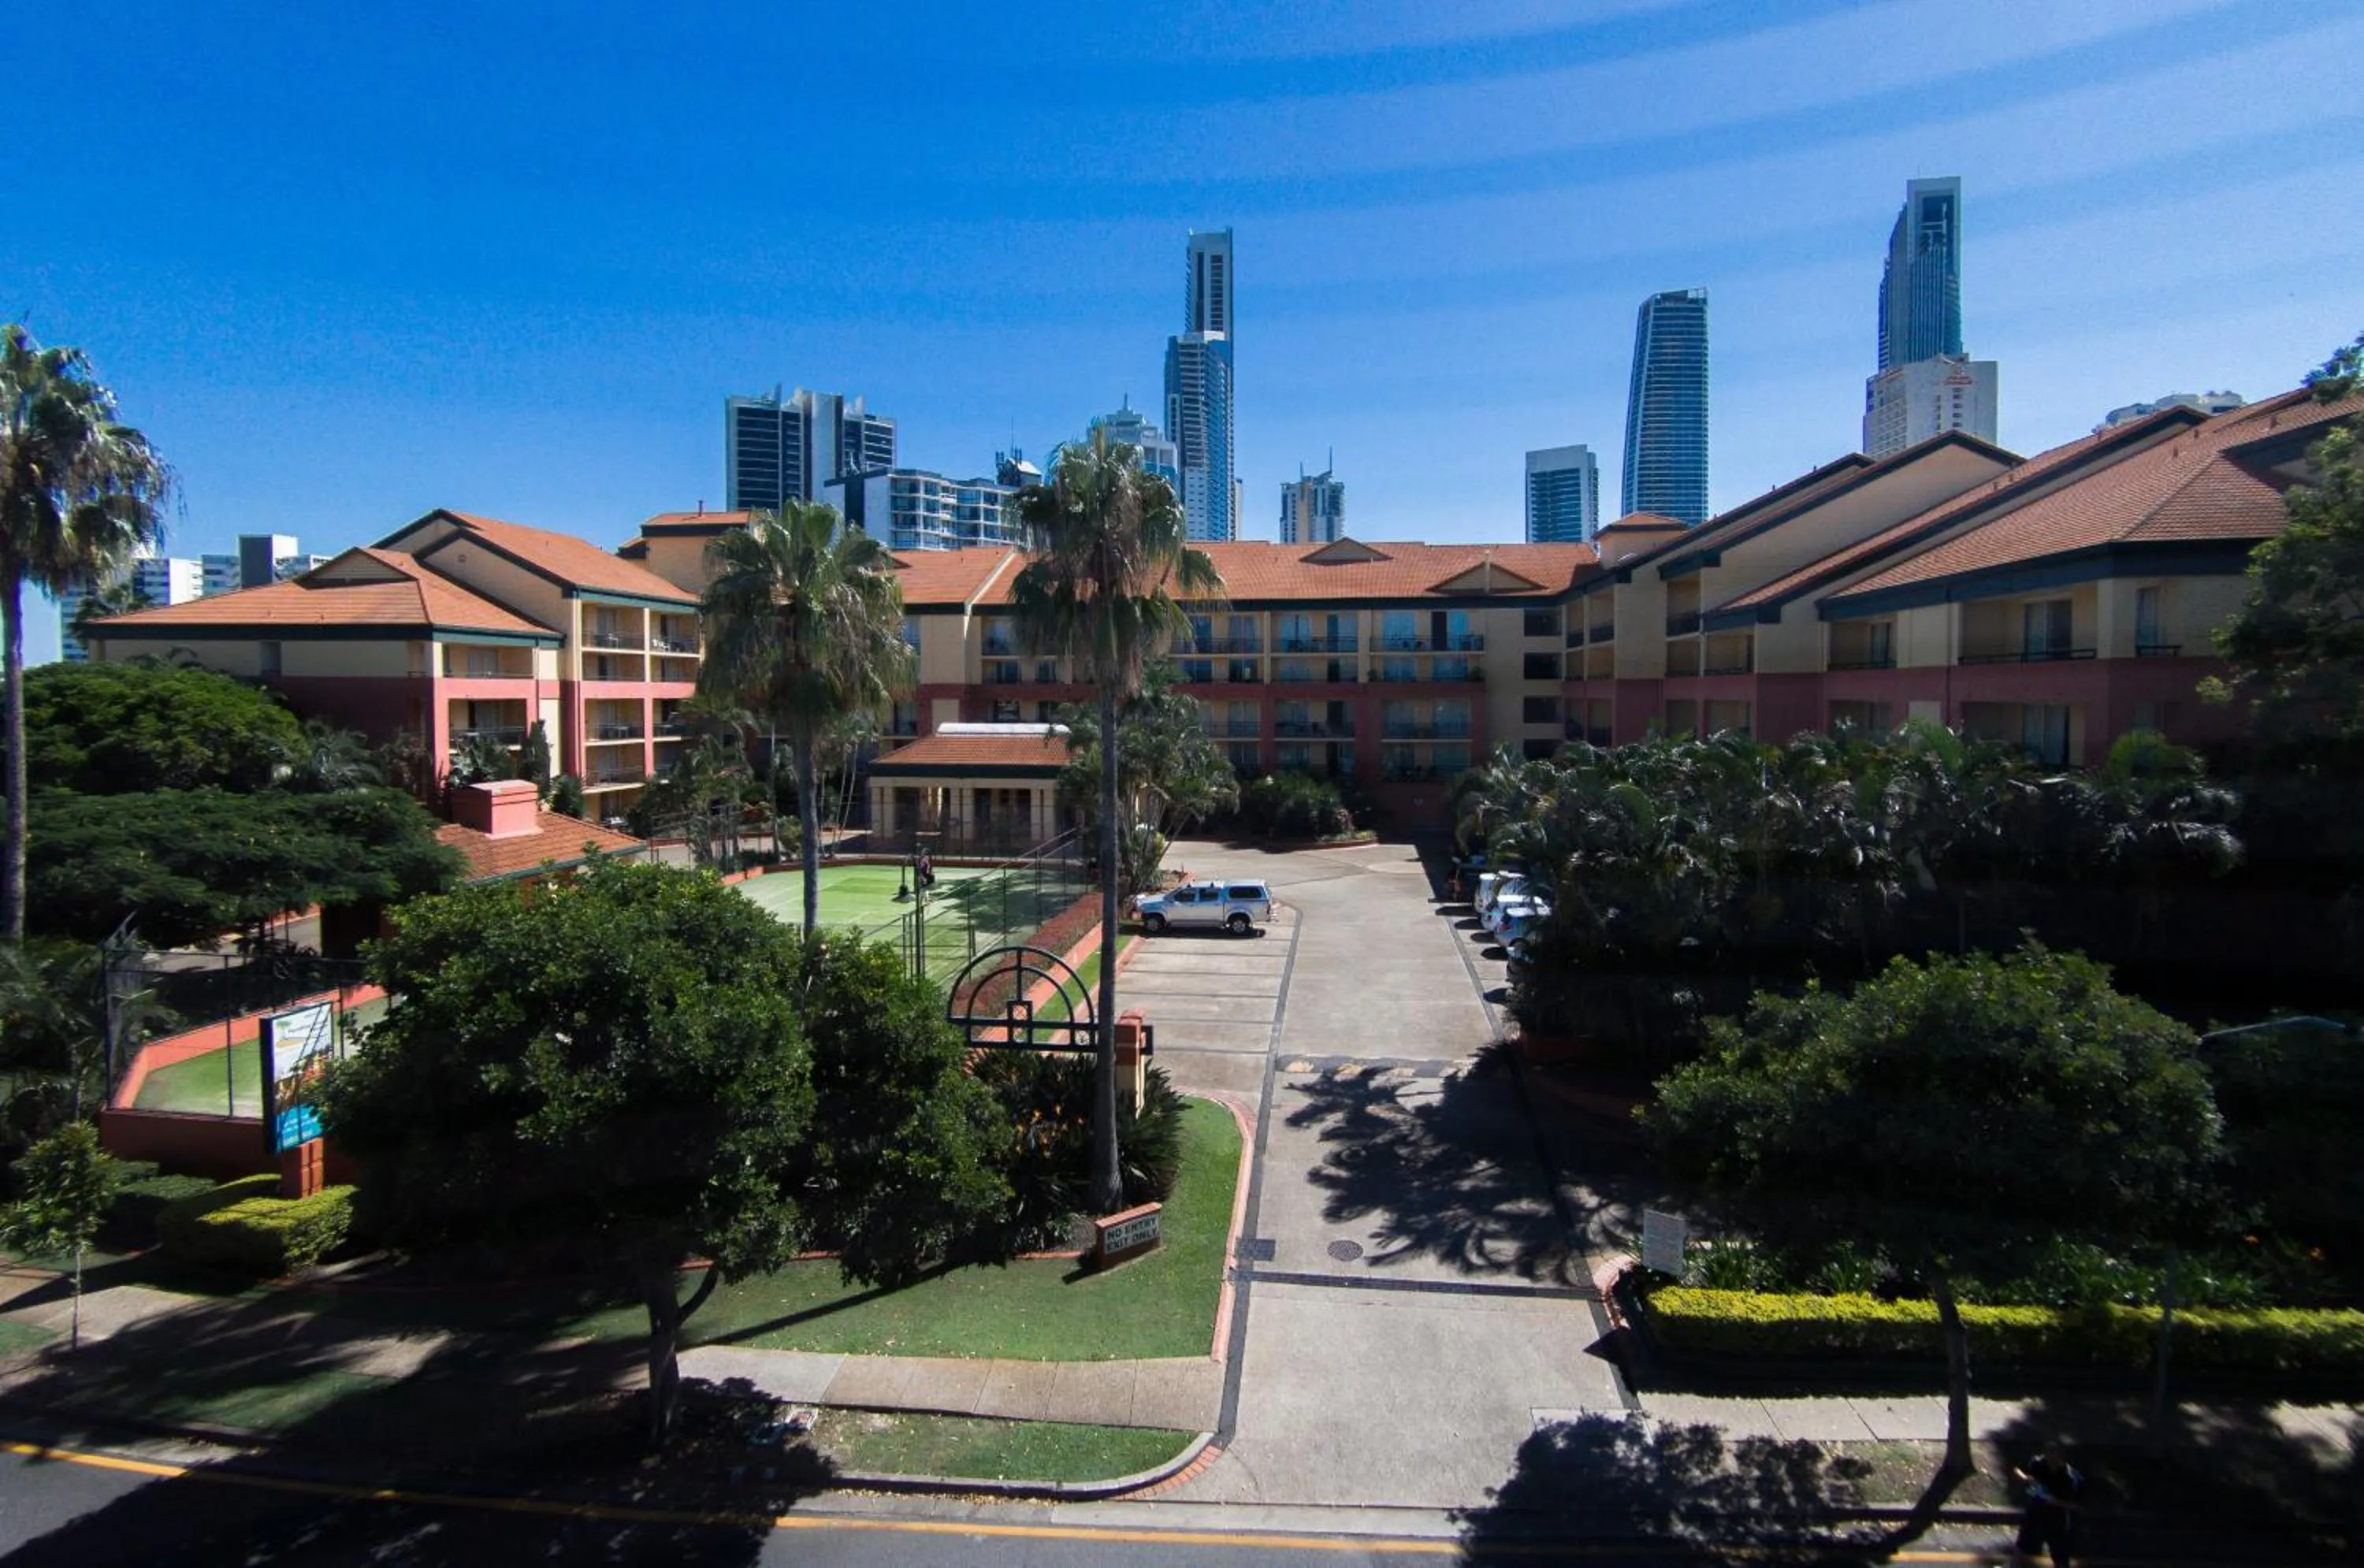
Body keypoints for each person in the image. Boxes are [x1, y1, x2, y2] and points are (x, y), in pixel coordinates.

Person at [2013, 1446, 2083, 1567]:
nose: (2051, 1457)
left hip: (2056, 1521)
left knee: (2060, 1558)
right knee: (2022, 1554)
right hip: (2034, 1517)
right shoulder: (2037, 1464)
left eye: (2055, 1454)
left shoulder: (2070, 1477)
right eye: (2049, 1453)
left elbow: (2078, 1505)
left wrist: (2055, 1501)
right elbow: (2018, 1469)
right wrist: (2026, 1478)